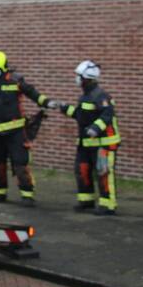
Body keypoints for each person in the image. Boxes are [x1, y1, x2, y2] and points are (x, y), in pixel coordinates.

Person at [0, 50, 48, 206]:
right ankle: (0, 192)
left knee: (20, 162)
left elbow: (32, 93)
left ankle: (27, 194)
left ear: (3, 68)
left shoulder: (15, 81)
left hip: (15, 132)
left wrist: (46, 102)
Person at [53, 60, 122, 216]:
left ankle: (108, 205)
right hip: (86, 143)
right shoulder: (85, 96)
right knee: (82, 170)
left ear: (86, 78)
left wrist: (95, 128)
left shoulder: (101, 96)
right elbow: (80, 115)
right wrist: (64, 108)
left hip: (104, 144)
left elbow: (107, 115)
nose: (76, 78)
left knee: (103, 173)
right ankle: (86, 200)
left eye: (78, 76)